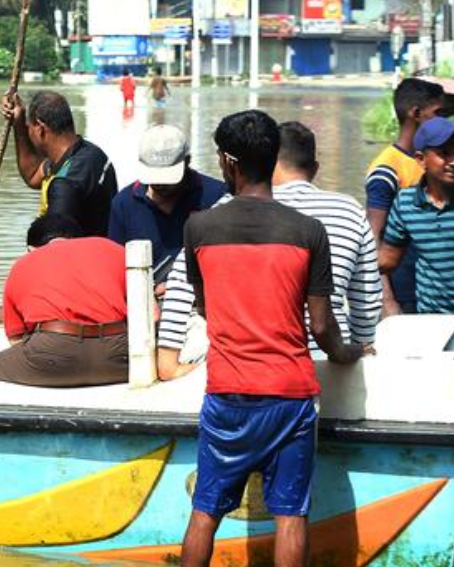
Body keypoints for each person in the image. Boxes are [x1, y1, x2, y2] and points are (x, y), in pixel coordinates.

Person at [178, 110, 362, 567]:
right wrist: (351, 353)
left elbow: (205, 305)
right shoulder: (308, 231)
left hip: (228, 393)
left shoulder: (199, 228)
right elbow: (323, 327)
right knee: (290, 515)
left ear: (230, 163)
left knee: (205, 511)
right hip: (290, 393)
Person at [157, 120, 383, 381]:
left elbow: (182, 291)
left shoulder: (217, 215)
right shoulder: (348, 212)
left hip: (237, 370)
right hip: (324, 365)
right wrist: (355, 350)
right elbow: (366, 302)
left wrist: (168, 364)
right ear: (315, 168)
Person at [0, 212, 128, 387]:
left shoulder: (24, 263)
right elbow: (152, 315)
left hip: (53, 353)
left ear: (31, 249)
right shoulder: (113, 248)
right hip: (120, 353)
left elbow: (16, 339)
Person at [107, 124, 226, 284]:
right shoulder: (123, 204)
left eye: (167, 178)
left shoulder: (217, 196)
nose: (160, 184)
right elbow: (115, 269)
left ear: (187, 162)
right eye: (155, 176)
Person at [365, 78, 445, 317]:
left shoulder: (436, 162)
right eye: (438, 113)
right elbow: (373, 239)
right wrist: (387, 301)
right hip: (406, 294)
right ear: (416, 113)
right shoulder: (387, 169)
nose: (444, 121)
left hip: (436, 295)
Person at [1, 91, 118, 236]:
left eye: (29, 127)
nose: (29, 132)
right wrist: (18, 124)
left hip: (81, 255)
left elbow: (55, 245)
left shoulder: (65, 184)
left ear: (40, 128)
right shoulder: (93, 153)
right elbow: (32, 174)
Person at [380, 116, 454, 314]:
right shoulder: (405, 203)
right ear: (421, 159)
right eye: (444, 153)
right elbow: (386, 261)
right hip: (432, 321)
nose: (453, 161)